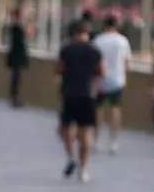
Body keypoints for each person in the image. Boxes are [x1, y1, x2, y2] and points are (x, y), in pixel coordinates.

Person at [56, 20, 104, 182]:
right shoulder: (94, 51)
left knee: (64, 129)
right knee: (85, 134)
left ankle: (71, 158)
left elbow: (59, 70)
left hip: (69, 94)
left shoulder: (66, 50)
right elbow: (102, 72)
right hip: (87, 95)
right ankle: (83, 169)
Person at [92, 16, 132, 154]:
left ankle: (97, 140)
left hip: (101, 79)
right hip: (117, 79)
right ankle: (114, 142)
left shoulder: (98, 40)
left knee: (98, 109)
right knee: (115, 109)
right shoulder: (123, 41)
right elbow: (127, 62)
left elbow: (94, 61)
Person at [5, 8, 31, 107]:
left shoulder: (15, 27)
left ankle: (14, 97)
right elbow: (21, 40)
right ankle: (14, 98)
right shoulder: (16, 27)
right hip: (17, 56)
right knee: (16, 77)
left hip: (16, 55)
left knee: (16, 77)